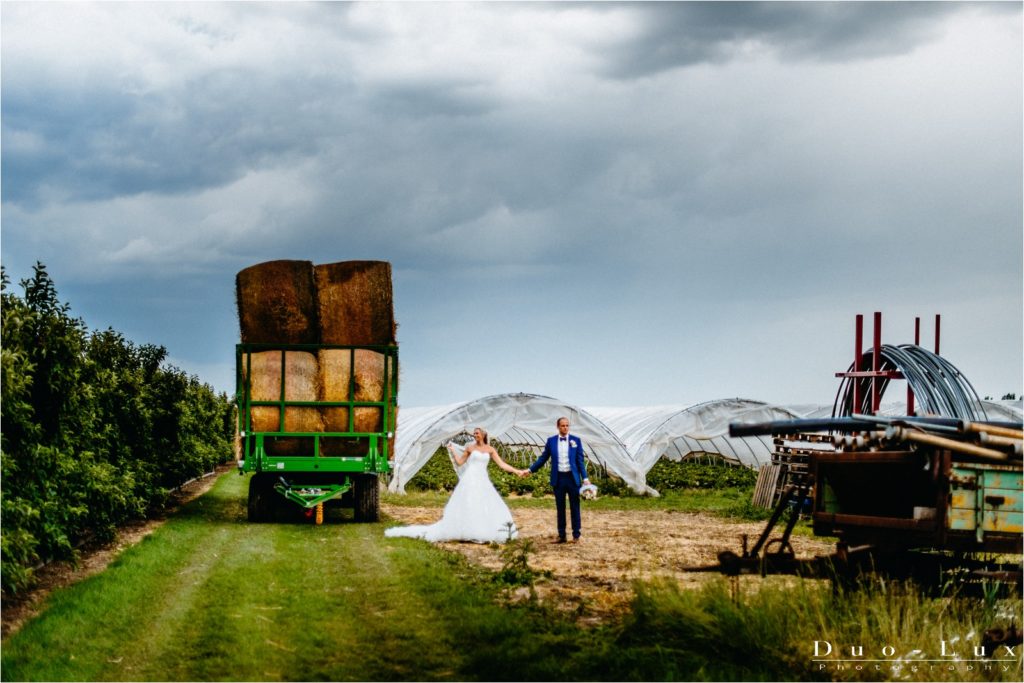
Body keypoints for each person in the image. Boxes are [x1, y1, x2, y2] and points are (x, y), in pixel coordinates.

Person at [385, 427, 525, 543]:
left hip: (483, 479)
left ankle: (482, 529)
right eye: (474, 433)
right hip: (470, 478)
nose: (475, 435)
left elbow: (502, 464)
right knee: (469, 503)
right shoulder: (470, 448)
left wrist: (516, 471)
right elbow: (460, 462)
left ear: (483, 434)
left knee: (484, 503)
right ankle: (468, 530)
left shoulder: (490, 449)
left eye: (477, 433)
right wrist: (452, 450)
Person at [520, 416, 591, 544]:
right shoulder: (551, 441)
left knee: (575, 507)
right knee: (560, 508)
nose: (565, 428)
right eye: (563, 425)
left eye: (567, 425)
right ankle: (562, 535)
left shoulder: (576, 441)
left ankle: (576, 535)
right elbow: (543, 459)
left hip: (572, 478)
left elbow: (580, 461)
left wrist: (585, 478)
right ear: (558, 426)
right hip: (559, 478)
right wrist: (530, 470)